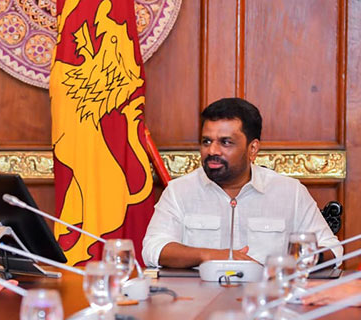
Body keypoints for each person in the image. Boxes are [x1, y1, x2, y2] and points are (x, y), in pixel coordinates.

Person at [142, 97, 341, 268]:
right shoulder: (179, 191)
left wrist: (298, 258)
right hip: (197, 296)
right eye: (207, 141)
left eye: (225, 142)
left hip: (268, 295)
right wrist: (210, 255)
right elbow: (153, 248)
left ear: (252, 149)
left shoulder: (290, 192)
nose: (212, 151)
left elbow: (333, 249)